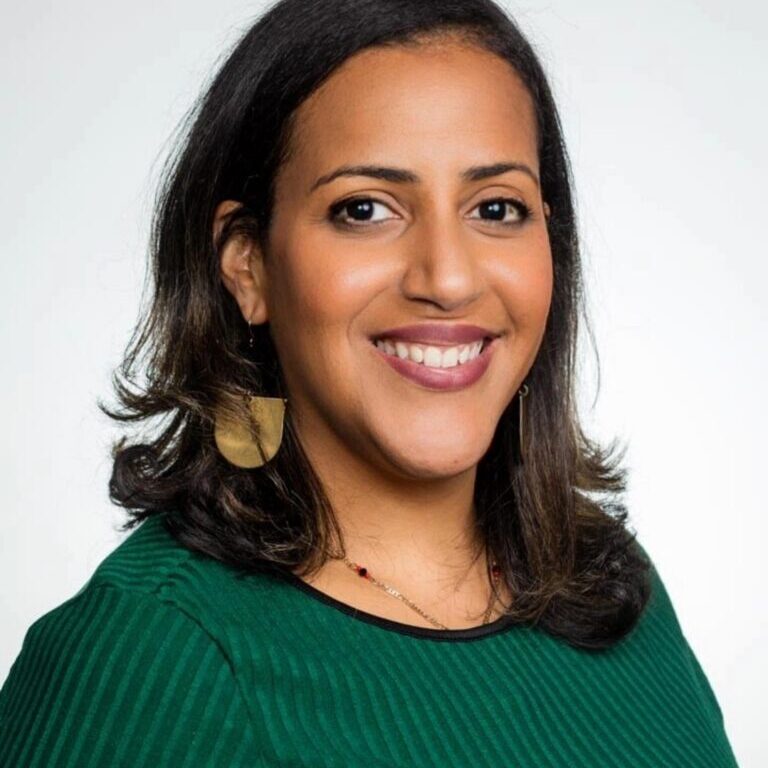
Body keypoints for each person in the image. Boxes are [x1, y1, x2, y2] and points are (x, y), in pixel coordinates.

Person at [0, 0, 739, 765]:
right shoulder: (146, 656)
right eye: (365, 209)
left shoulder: (613, 586)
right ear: (247, 263)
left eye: (496, 207)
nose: (448, 279)